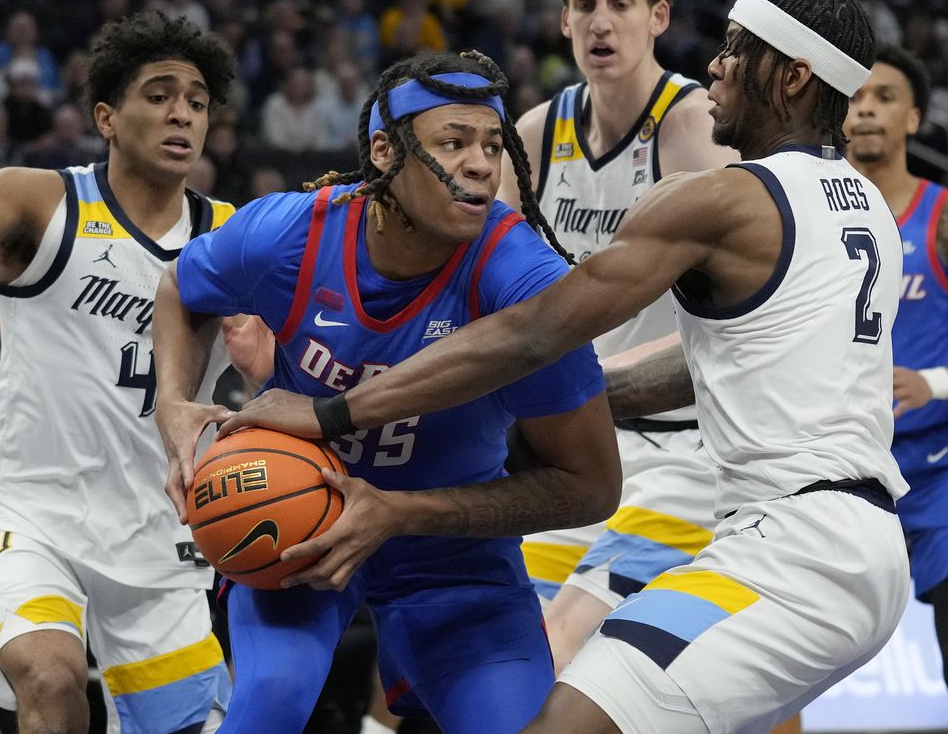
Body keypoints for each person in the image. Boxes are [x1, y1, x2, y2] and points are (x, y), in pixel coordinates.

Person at [219, 0, 912, 734]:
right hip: (860, 545)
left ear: (793, 76)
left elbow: (533, 333)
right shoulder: (865, 203)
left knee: (560, 723)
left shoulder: (721, 198)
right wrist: (583, 400)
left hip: (789, 550)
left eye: (737, 51)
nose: (714, 65)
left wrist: (333, 409)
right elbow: (711, 364)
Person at [155, 50, 620, 734]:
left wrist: (398, 511)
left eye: (492, 143)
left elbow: (591, 488)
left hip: (453, 547)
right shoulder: (292, 232)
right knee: (269, 706)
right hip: (296, 524)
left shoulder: (523, 280)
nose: (481, 164)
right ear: (384, 151)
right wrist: (173, 399)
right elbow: (180, 287)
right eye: (453, 142)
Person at [0, 12, 240, 734]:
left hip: (160, 531)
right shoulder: (38, 200)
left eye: (196, 100)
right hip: (30, 512)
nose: (182, 113)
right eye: (159, 94)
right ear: (106, 115)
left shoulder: (233, 233)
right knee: (51, 677)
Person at [503, 0, 742, 676]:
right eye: (585, 3)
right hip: (575, 442)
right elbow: (485, 293)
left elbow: (741, 307)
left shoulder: (692, 125)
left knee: (565, 641)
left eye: (621, 2)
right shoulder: (537, 135)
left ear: (659, 16)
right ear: (564, 21)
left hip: (683, 444)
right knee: (511, 644)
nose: (601, 22)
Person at [844, 44, 948, 734]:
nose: (865, 107)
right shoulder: (797, 214)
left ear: (913, 118)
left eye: (883, 96)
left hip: (942, 465)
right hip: (840, 467)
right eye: (854, 96)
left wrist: (933, 381)